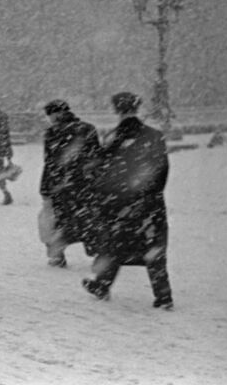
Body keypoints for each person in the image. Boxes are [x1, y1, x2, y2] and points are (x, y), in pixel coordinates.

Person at [82, 92, 173, 310]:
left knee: (114, 245)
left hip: (120, 203)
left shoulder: (113, 137)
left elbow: (104, 172)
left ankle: (102, 285)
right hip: (150, 204)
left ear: (116, 110)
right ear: (137, 108)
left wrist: (103, 196)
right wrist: (151, 195)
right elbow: (162, 170)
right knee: (153, 249)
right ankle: (163, 295)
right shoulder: (154, 135)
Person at [38, 99, 101, 268]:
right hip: (83, 184)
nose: (49, 119)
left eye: (49, 115)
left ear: (56, 113)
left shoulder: (52, 133)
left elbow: (50, 162)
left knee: (58, 221)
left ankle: (58, 254)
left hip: (61, 185)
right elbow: (97, 158)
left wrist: (45, 187)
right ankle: (97, 252)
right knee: (88, 219)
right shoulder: (87, 129)